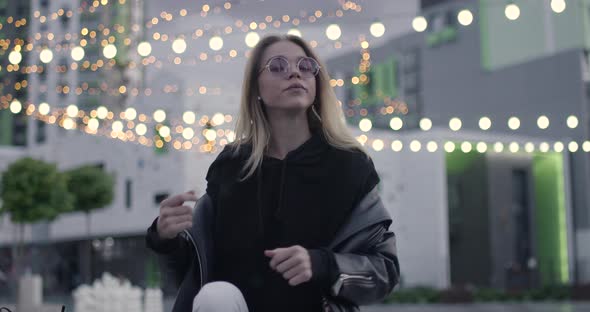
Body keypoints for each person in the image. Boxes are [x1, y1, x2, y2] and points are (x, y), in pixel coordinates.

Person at [146, 34, 399, 312]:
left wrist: (321, 264)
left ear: (317, 83)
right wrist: (166, 238)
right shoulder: (231, 167)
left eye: (305, 66)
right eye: (278, 66)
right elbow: (192, 276)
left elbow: (384, 270)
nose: (294, 72)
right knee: (215, 296)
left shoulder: (350, 167)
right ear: (256, 87)